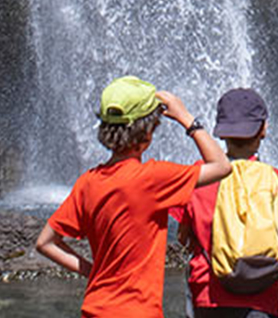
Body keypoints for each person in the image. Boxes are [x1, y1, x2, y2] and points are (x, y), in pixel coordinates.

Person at [35, 75, 231, 318]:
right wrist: (186, 118)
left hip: (94, 309)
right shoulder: (153, 178)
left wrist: (93, 271)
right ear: (147, 132)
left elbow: (45, 243)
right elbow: (222, 166)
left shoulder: (87, 182)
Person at [171, 88, 278, 318]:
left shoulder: (199, 175)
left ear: (220, 133)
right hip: (264, 297)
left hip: (209, 294)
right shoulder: (273, 176)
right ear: (263, 130)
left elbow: (183, 237)